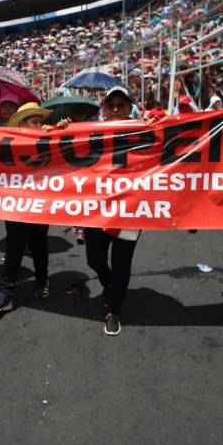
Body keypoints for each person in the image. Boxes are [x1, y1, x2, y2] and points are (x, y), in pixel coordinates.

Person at [82, 86, 143, 336]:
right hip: (98, 208)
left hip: (130, 210)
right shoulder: (91, 132)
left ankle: (113, 310)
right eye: (111, 105)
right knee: (94, 259)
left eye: (121, 105)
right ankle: (109, 283)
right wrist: (60, 127)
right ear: (104, 109)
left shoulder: (145, 130)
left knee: (121, 264)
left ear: (130, 108)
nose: (116, 110)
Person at [0, 102, 54, 313]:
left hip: (39, 204)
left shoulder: (49, 139)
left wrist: (61, 129)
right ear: (22, 124)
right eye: (35, 122)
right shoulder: (9, 141)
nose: (39, 125)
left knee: (38, 245)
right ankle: (6, 293)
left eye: (41, 122)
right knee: (14, 248)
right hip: (16, 204)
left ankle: (41, 280)